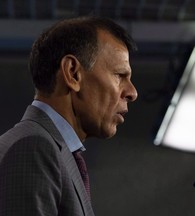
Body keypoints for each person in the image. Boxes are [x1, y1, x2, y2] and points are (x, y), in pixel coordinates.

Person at [0, 16, 138, 216]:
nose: (132, 92)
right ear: (73, 73)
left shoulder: (51, 149)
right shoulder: (34, 148)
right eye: (119, 75)